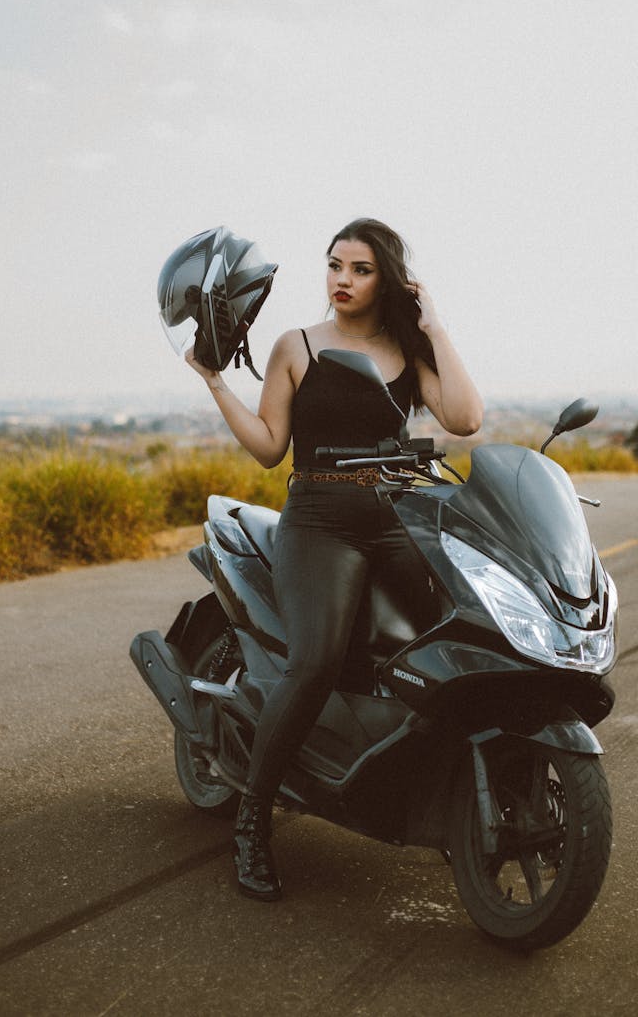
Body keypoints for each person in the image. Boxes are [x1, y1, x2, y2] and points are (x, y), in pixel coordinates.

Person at [185, 217, 483, 901]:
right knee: (316, 659)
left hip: (395, 517)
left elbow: (466, 419)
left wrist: (432, 324)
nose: (342, 280)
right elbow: (267, 446)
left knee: (457, 634)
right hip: (319, 521)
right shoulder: (299, 346)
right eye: (334, 265)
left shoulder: (405, 350)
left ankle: (434, 787)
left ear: (389, 279)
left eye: (360, 269)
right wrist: (214, 381)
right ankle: (254, 818)